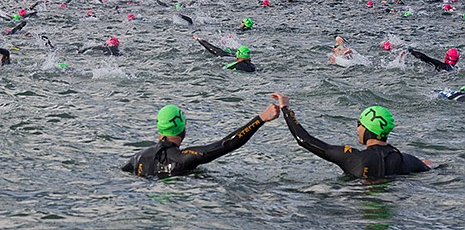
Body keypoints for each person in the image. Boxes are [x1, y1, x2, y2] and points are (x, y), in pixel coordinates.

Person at [271, 93, 432, 178]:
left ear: (367, 128)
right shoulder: (405, 159)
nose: (357, 130)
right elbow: (430, 168)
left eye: (359, 125)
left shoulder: (355, 159)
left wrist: (285, 109)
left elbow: (304, 140)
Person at [121, 101, 280, 178]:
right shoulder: (183, 158)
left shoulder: (140, 156)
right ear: (183, 128)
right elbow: (226, 145)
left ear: (159, 127)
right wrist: (261, 118)